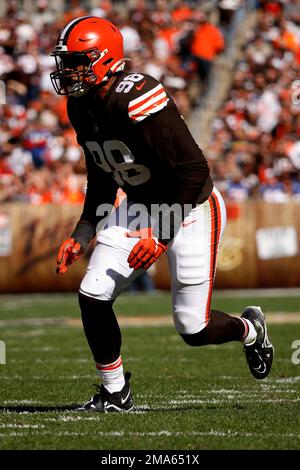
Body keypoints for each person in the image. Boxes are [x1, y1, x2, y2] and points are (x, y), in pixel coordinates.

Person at [53, 16, 274, 413]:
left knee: (194, 328)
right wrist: (83, 232)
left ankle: (249, 329)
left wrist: (160, 233)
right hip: (139, 204)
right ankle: (114, 392)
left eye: (75, 61)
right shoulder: (80, 106)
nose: (67, 71)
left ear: (103, 59)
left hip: (190, 208)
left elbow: (194, 172)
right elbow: (102, 177)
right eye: (65, 62)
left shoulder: (137, 96)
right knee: (92, 295)